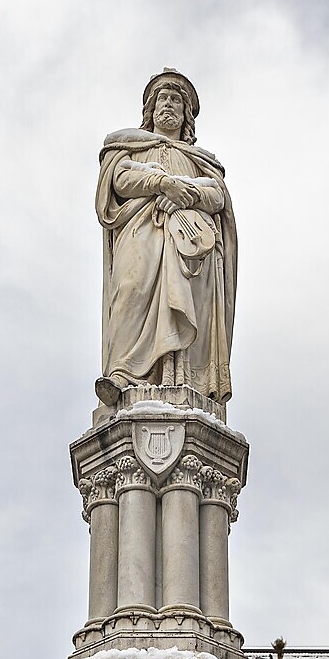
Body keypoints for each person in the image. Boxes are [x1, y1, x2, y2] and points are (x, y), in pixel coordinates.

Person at [95, 70, 237, 407]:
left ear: (186, 114)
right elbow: (119, 180)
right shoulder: (129, 146)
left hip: (188, 244)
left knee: (188, 304)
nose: (168, 105)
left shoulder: (201, 161)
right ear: (151, 109)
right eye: (163, 99)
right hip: (139, 232)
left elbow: (218, 196)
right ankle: (123, 373)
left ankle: (187, 380)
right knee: (131, 287)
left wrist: (186, 194)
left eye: (176, 100)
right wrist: (160, 183)